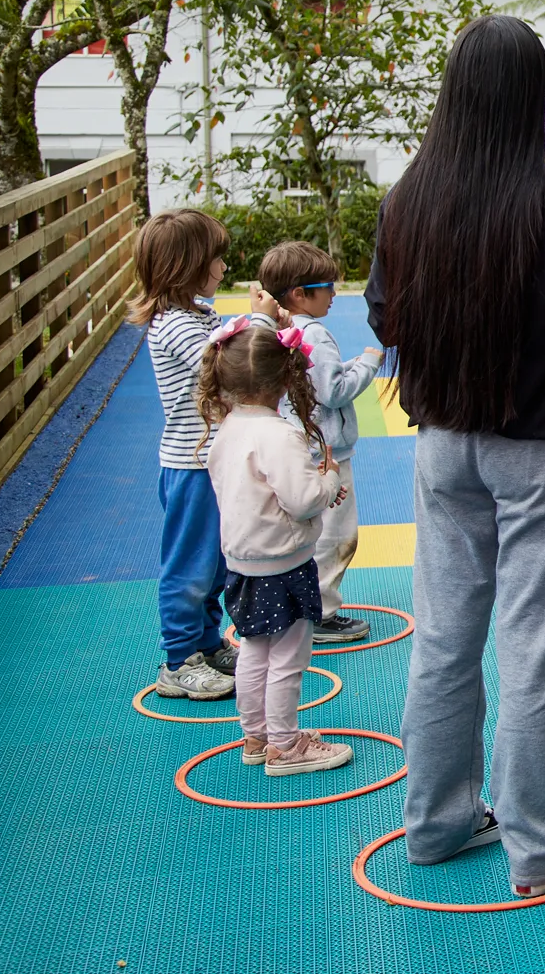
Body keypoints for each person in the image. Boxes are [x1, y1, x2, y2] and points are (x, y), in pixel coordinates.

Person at [367, 15, 545, 898]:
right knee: (534, 649)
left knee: (444, 639)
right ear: (534, 96)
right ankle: (541, 844)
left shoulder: (410, 196)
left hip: (444, 445)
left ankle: (437, 824)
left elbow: (383, 318)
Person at [197, 319, 351, 776]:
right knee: (288, 656)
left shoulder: (226, 429)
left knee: (254, 650)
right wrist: (328, 480)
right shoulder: (279, 434)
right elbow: (302, 501)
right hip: (284, 563)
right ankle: (285, 746)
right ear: (286, 379)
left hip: (243, 563)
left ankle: (256, 737)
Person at [131, 209, 241, 701]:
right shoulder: (174, 324)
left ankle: (205, 642)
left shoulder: (199, 315)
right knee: (190, 566)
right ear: (188, 266)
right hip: (191, 465)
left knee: (217, 563)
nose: (222, 268)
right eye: (215, 259)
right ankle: (177, 661)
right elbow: (223, 364)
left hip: (215, 462)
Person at [257, 241, 384, 643]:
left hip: (303, 445)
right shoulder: (316, 333)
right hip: (328, 453)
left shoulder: (287, 329)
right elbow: (333, 390)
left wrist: (346, 366)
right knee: (336, 534)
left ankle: (301, 606)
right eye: (327, 285)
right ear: (300, 294)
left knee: (307, 530)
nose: (334, 292)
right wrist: (368, 362)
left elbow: (315, 380)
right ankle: (322, 614)